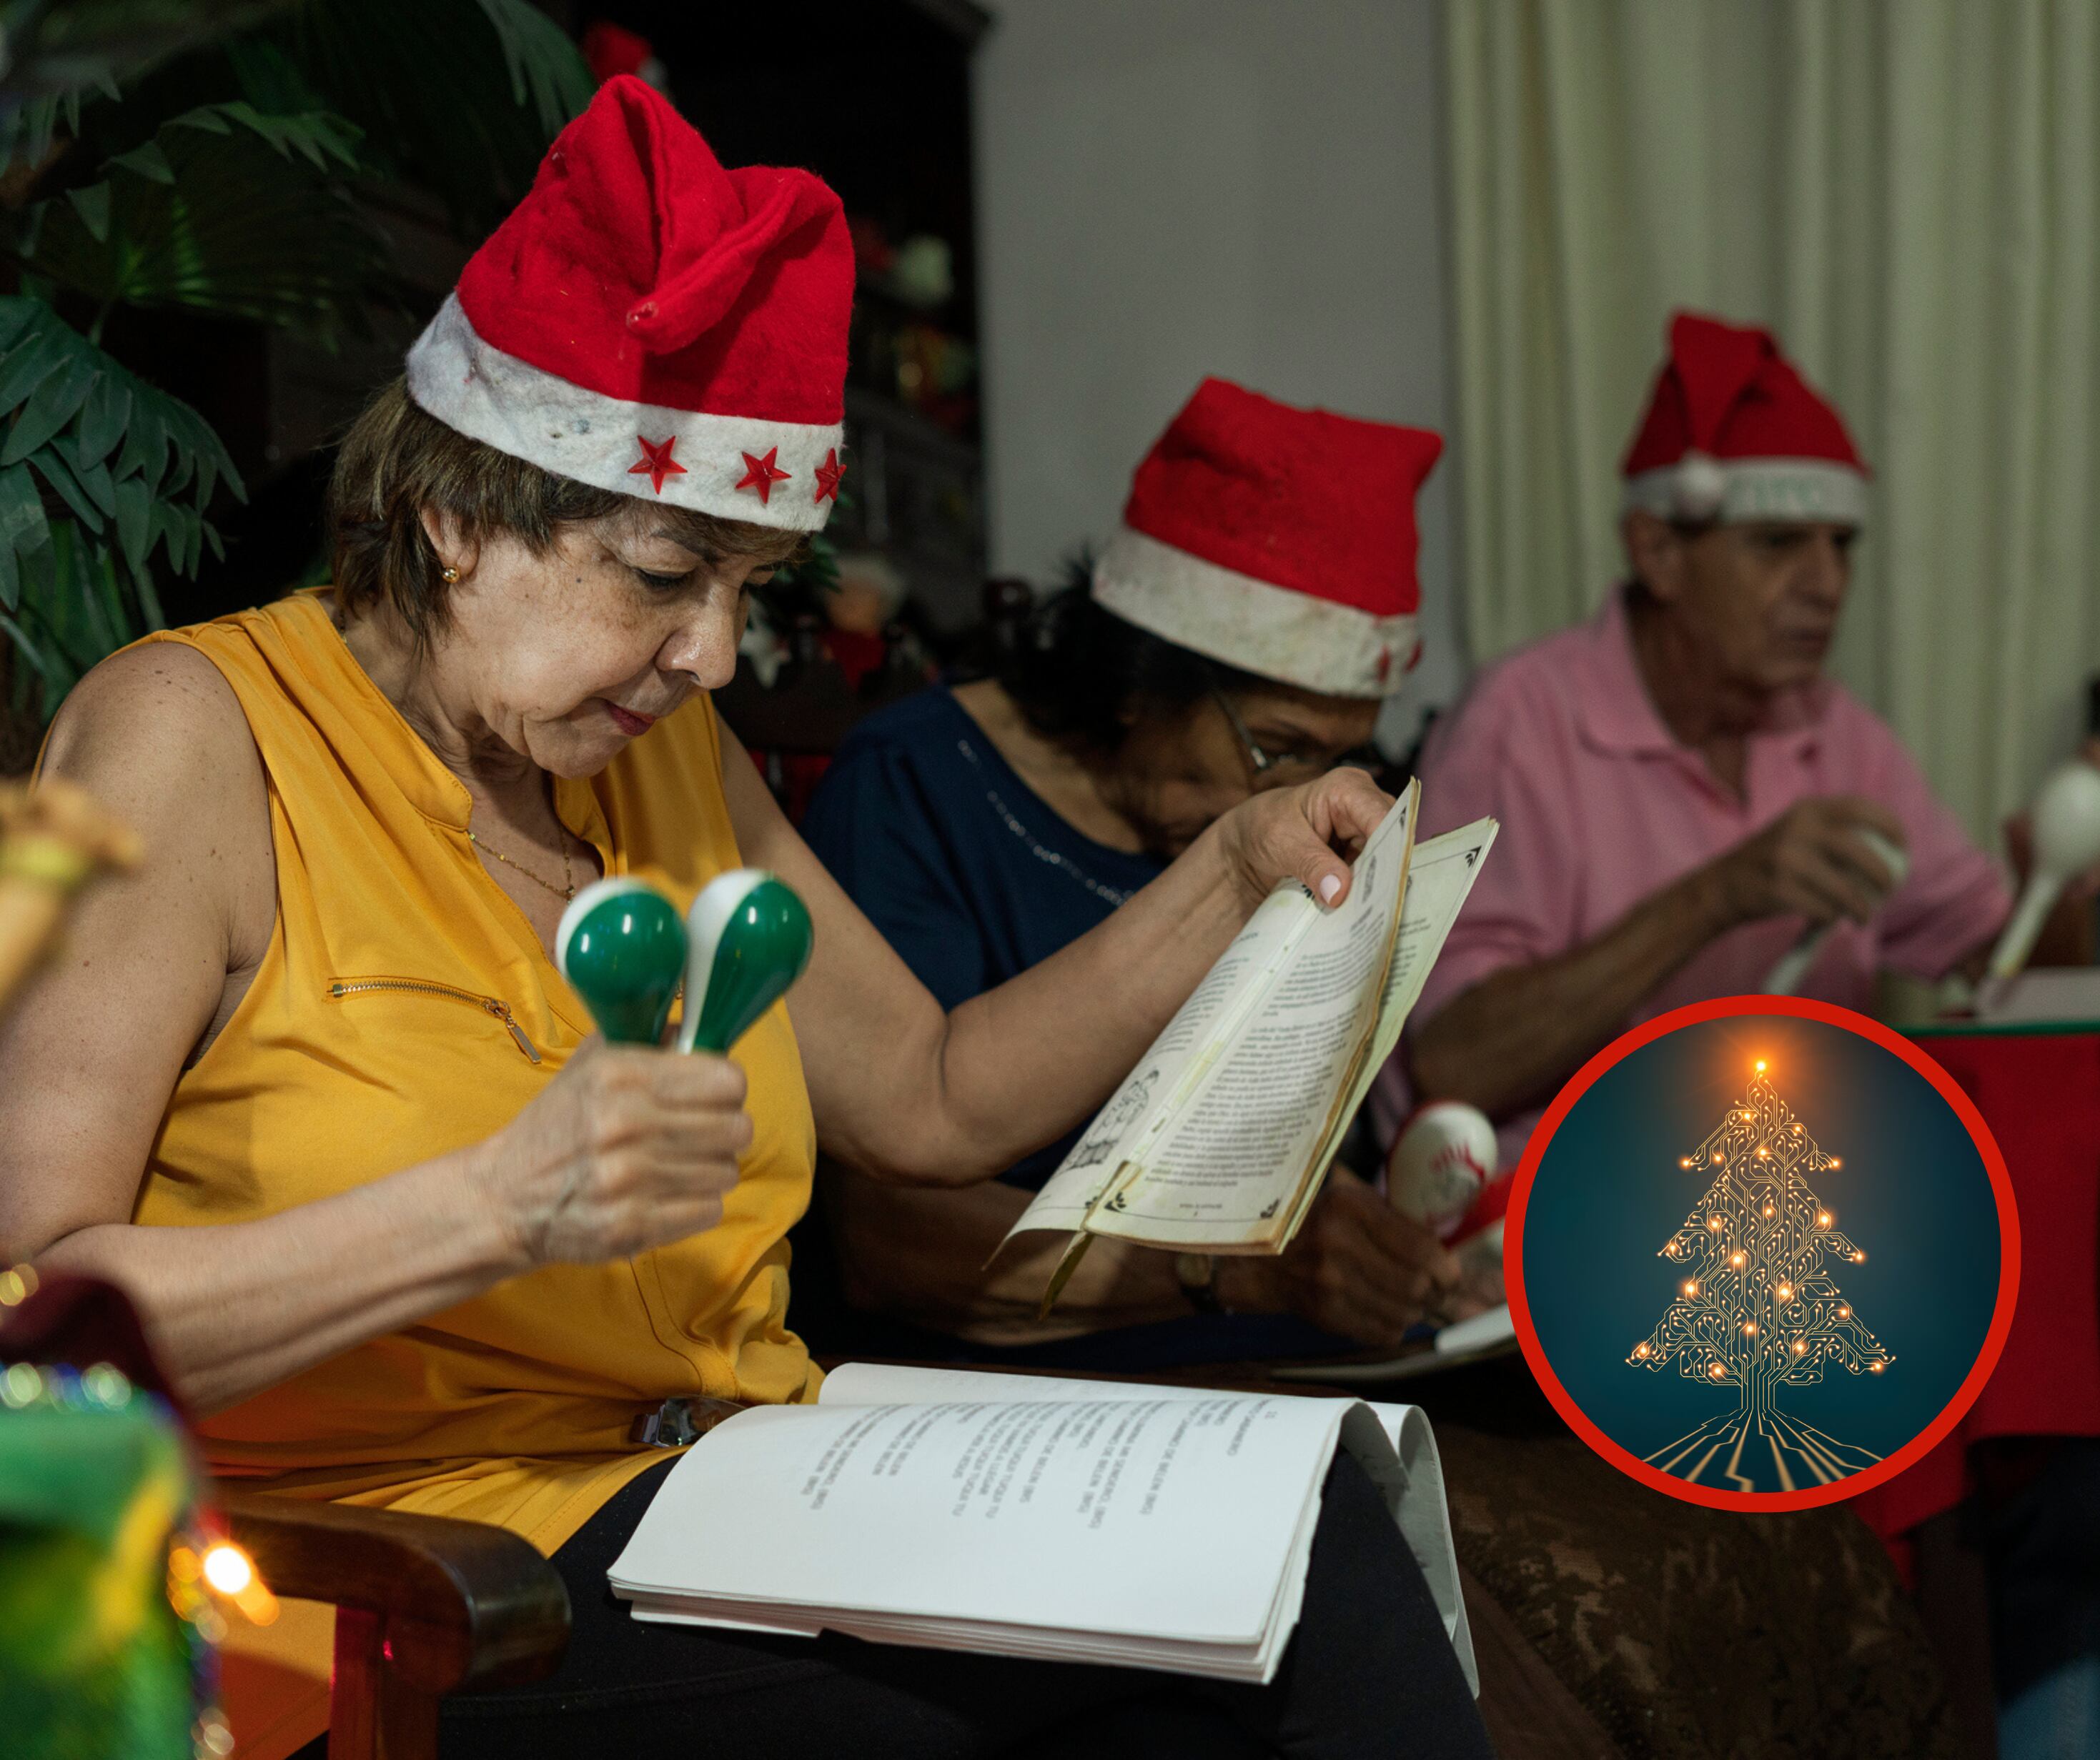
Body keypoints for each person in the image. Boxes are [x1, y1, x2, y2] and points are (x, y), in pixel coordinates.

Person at [0, 82, 1488, 1760]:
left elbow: (929, 1092)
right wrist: (494, 1201)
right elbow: (36, 1310)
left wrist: (1226, 867)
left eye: (749, 589)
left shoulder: (659, 758)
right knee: (1275, 1610)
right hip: (400, 1580)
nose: (713, 653)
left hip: (732, 1494)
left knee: (1296, 1531)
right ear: (454, 511)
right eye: (661, 574)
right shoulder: (191, 738)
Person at [799, 379, 1482, 1368]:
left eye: (1335, 760)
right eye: (1276, 747)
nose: (1298, 796)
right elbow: (889, 1244)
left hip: (1249, 1354)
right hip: (998, 1379)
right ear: (1137, 684)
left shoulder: (1280, 832)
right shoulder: (913, 786)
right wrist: (1235, 1270)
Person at [1380, 310, 2094, 1168]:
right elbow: (1457, 1061)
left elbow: (2000, 971)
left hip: (1778, 1218)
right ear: (1658, 551)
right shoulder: (1519, 724)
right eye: (1779, 544)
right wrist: (1719, 896)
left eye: (1842, 546)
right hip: (1548, 1222)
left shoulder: (1836, 732)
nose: (1828, 585)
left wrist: (2064, 899)